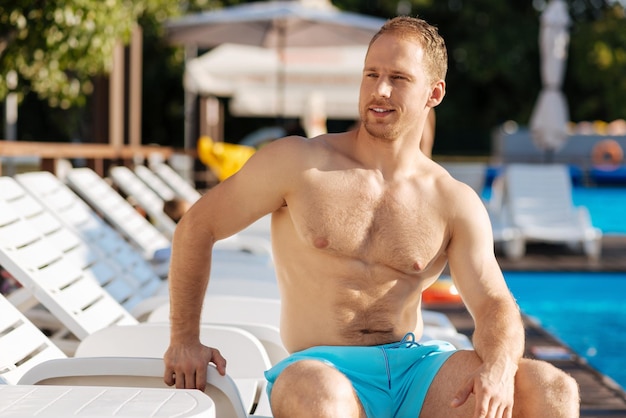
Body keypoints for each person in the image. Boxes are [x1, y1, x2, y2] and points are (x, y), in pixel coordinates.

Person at [164, 16, 579, 417]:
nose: (380, 90)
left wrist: (500, 369)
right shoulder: (298, 163)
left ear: (433, 94)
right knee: (319, 397)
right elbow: (198, 227)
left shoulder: (453, 200)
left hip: (416, 369)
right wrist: (184, 339)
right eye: (370, 74)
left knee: (553, 389)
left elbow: (492, 303)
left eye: (398, 78)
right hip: (320, 368)